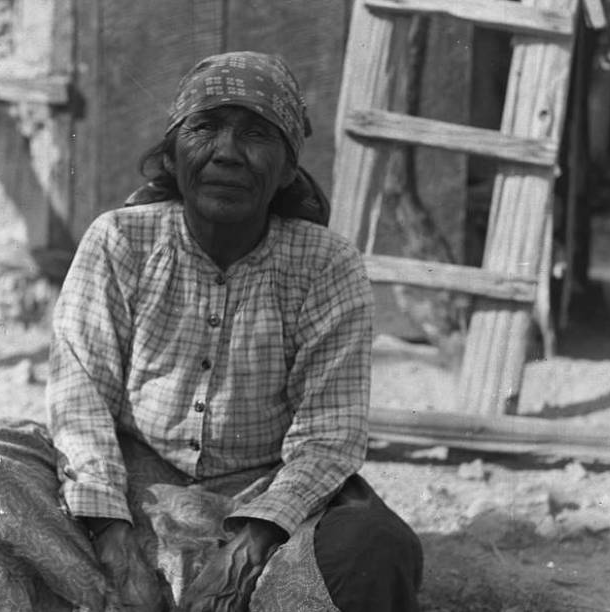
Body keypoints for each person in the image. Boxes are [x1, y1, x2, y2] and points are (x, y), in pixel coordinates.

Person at [47, 51, 423, 611]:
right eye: (205, 128)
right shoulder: (120, 241)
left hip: (263, 493)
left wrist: (249, 548)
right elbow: (80, 400)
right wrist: (115, 544)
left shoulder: (327, 264)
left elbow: (328, 436)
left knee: (375, 547)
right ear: (171, 157)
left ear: (288, 169)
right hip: (129, 482)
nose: (226, 151)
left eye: (255, 134)